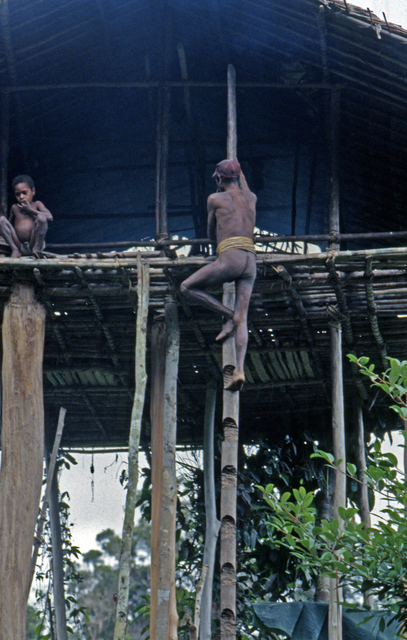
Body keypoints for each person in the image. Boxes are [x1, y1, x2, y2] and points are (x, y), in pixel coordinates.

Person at [181, 159, 257, 391]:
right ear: (238, 176)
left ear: (218, 178)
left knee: (186, 287)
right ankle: (240, 371)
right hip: (250, 261)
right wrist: (239, 171)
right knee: (243, 318)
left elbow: (211, 231)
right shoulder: (251, 197)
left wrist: (218, 249)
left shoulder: (214, 199)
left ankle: (228, 316)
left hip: (231, 257)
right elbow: (243, 184)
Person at [0, 175, 52, 258]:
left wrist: (30, 210)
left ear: (33, 191)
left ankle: (36, 251)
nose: (21, 197)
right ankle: (15, 250)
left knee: (42, 217)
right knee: (1, 220)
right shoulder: (15, 208)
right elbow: (9, 227)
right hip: (19, 245)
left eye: (24, 193)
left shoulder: (37, 204)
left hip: (33, 243)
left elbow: (49, 217)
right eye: (17, 194)